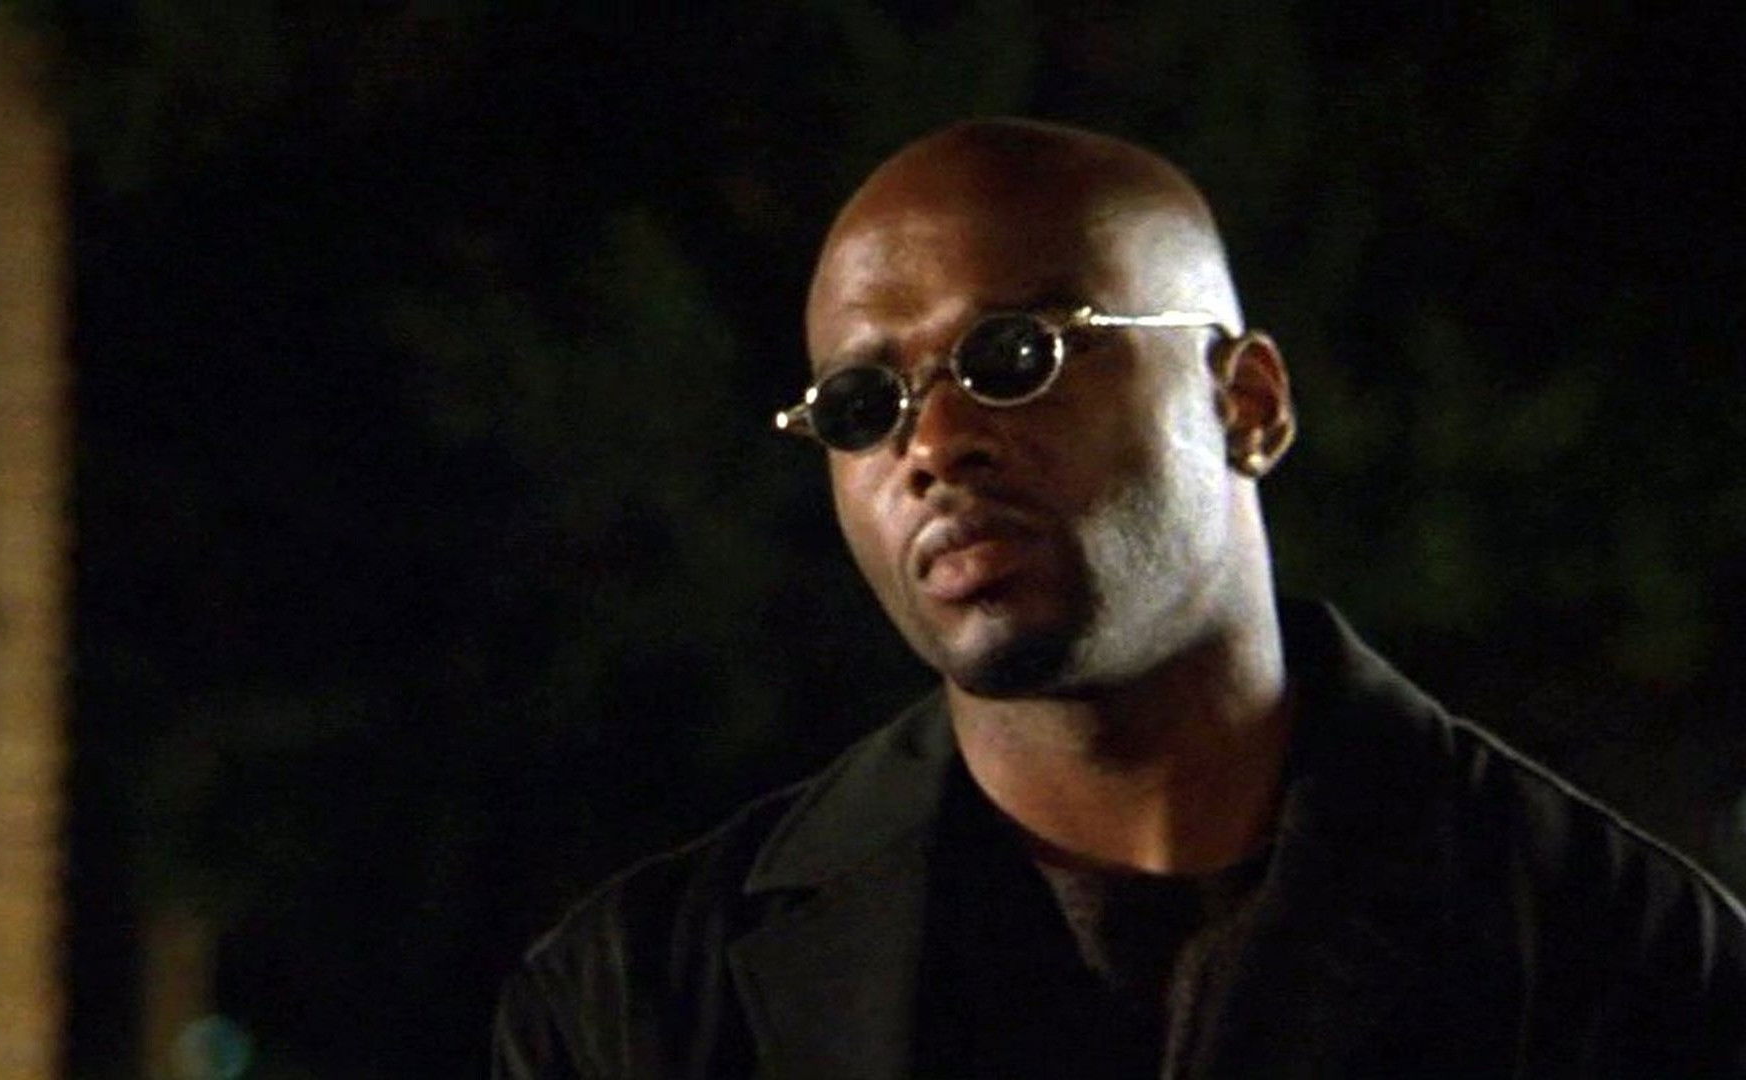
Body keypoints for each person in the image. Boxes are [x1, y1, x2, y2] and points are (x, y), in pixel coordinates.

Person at [490, 118, 1746, 1078]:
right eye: (863, 406)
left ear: (1246, 403)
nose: (935, 443)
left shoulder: (1621, 957)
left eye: (1013, 356)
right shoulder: (637, 1003)